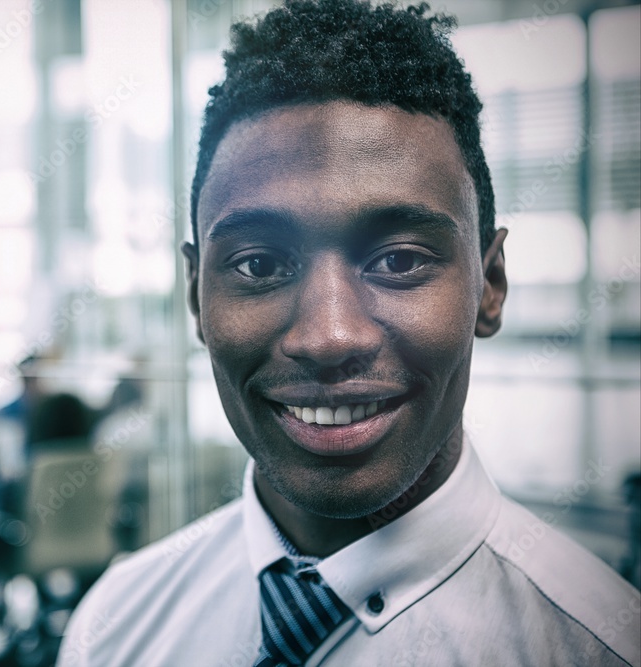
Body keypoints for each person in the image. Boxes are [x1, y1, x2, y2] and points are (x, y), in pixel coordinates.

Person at [58, 2, 641, 666]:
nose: (330, 336)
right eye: (259, 264)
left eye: (398, 261)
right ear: (195, 292)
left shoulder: (602, 647)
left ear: (491, 284)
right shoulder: (114, 628)